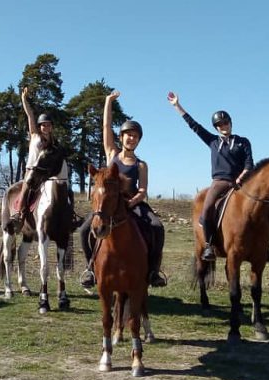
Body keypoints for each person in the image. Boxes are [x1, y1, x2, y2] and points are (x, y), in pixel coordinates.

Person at [79, 91, 167, 289]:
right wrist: (108, 102)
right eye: (128, 135)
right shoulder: (112, 154)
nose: (131, 138)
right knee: (84, 229)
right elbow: (105, 127)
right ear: (121, 137)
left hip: (132, 202)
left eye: (135, 136)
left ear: (138, 140)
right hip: (110, 202)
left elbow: (143, 190)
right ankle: (91, 269)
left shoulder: (141, 164)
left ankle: (153, 271)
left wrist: (132, 202)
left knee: (157, 227)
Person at [168, 92, 255, 262]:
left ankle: (264, 247)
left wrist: (241, 178)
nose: (224, 126)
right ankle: (209, 246)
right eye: (220, 125)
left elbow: (249, 164)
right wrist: (177, 106)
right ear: (216, 127)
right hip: (220, 182)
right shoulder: (213, 141)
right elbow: (194, 126)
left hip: (240, 183)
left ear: (231, 123)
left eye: (226, 123)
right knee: (207, 209)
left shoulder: (243, 142)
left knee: (263, 208)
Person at [13, 87, 61, 224]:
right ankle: (18, 214)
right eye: (43, 125)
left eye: (48, 125)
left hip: (47, 173)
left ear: (51, 127)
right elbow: (30, 115)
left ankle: (69, 216)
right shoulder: (34, 135)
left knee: (64, 189)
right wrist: (24, 99)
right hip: (32, 170)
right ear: (39, 127)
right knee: (26, 189)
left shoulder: (54, 142)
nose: (45, 127)